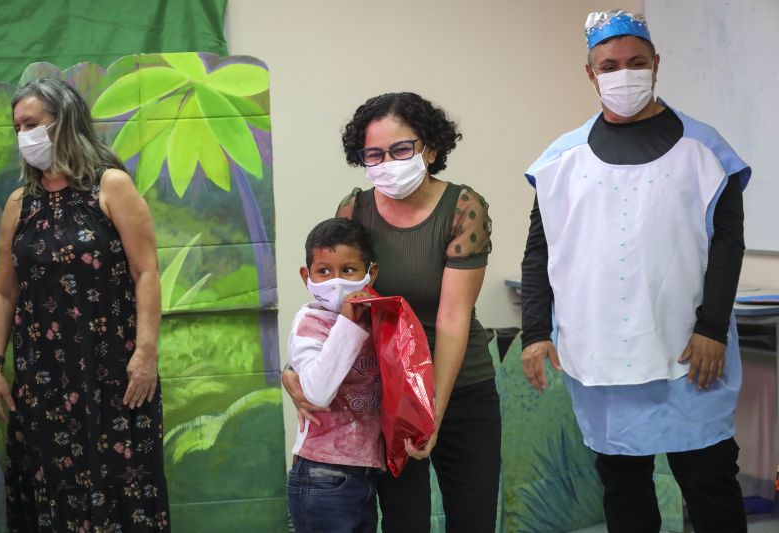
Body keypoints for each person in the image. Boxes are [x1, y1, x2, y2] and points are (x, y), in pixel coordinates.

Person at [521, 10, 749, 533]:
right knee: (624, 488)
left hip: (691, 352)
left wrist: (712, 327)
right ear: (590, 73)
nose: (623, 74)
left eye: (636, 62)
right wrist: (535, 333)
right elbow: (539, 253)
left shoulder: (706, 151)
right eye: (610, 65)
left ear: (656, 65)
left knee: (709, 481)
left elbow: (728, 244)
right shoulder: (561, 161)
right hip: (601, 359)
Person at [284, 92, 500, 532]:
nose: (388, 161)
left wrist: (431, 412)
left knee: (472, 517)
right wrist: (294, 370)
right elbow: (333, 301)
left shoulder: (463, 208)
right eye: (374, 153)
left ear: (431, 149)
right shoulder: (354, 209)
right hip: (390, 391)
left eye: (401, 149)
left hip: (459, 385)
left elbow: (452, 318)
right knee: (405, 520)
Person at [0, 78, 170, 532]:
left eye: (32, 123)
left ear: (63, 122)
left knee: (122, 485)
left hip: (113, 372)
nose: (23, 134)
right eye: (17, 127)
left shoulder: (111, 186)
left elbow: (146, 271)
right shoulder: (18, 204)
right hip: (42, 378)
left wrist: (145, 355)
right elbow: (5, 290)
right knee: (52, 489)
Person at [286, 217, 381, 532]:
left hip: (364, 474)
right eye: (324, 272)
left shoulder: (376, 319)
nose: (336, 281)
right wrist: (347, 324)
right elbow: (316, 392)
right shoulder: (309, 323)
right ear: (307, 276)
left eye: (349, 270)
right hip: (321, 475)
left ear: (371, 273)